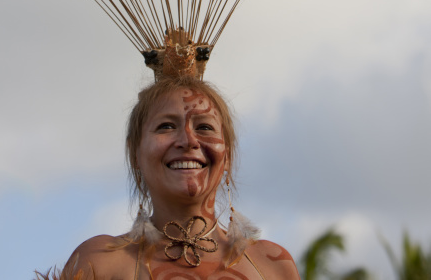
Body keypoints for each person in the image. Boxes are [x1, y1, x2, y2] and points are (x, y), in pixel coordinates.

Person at [39, 76, 300, 280]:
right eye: (166, 126)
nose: (188, 140)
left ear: (228, 156)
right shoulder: (101, 262)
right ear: (135, 154)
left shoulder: (272, 266)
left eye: (205, 127)